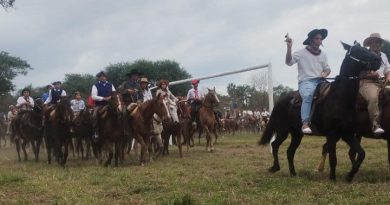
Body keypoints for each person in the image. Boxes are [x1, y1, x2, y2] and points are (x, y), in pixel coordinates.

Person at [285, 28, 331, 134]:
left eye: (321, 39)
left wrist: (324, 74)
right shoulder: (301, 52)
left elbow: (327, 69)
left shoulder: (323, 54)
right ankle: (305, 123)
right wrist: (289, 48)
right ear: (311, 40)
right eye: (317, 38)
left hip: (321, 82)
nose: (319, 41)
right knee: (308, 95)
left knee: (333, 93)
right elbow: (288, 62)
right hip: (306, 82)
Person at [359, 33, 390, 134]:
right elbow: (359, 72)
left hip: (383, 82)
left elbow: (388, 70)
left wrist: (388, 77)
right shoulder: (364, 55)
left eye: (377, 41)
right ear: (369, 43)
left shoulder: (384, 55)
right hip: (367, 82)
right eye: (373, 41)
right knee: (373, 98)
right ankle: (375, 125)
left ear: (380, 43)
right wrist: (370, 74)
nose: (375, 43)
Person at [91, 71, 116, 140]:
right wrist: (103, 98)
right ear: (99, 78)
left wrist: (111, 97)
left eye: (104, 76)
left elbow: (114, 94)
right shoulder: (95, 85)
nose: (103, 78)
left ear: (106, 77)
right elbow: (93, 96)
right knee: (94, 116)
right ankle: (96, 133)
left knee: (119, 112)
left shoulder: (110, 85)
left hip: (110, 104)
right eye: (101, 76)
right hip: (99, 105)